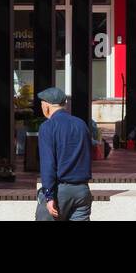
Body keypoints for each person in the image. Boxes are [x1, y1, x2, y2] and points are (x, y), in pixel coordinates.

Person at [35, 87, 93, 221]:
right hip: (82, 190)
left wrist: (49, 196)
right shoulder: (81, 124)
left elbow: (48, 163)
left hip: (60, 191)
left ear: (47, 107)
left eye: (42, 105)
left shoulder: (48, 127)